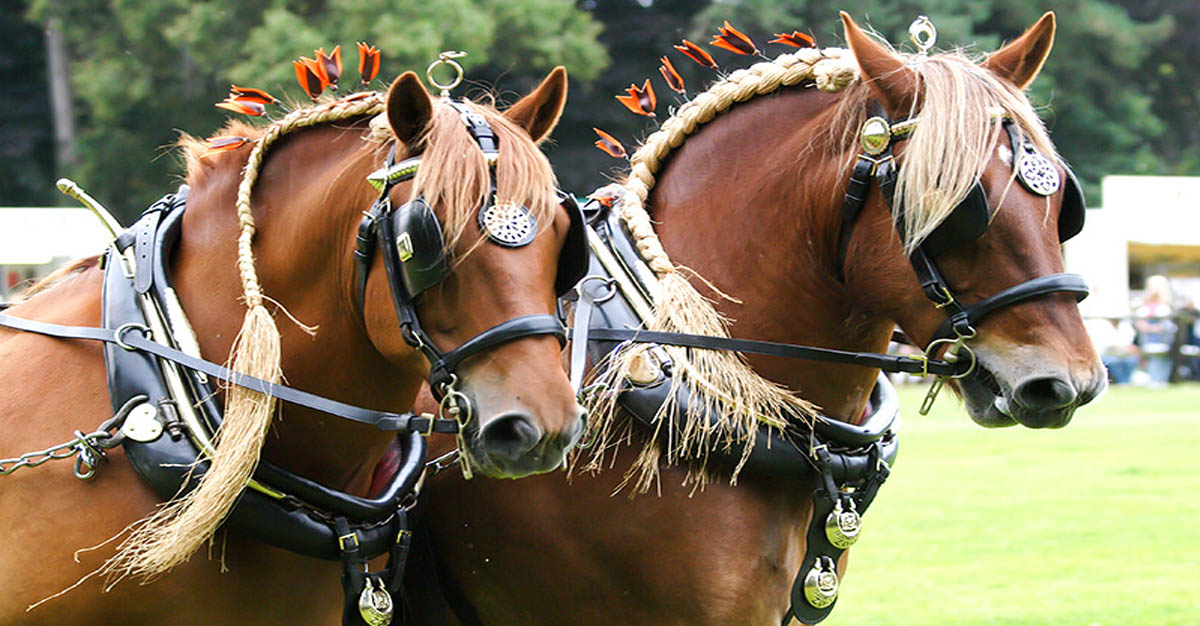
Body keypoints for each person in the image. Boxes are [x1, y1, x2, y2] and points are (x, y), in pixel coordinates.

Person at [1134, 275, 1176, 386]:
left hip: (1164, 339)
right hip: (1147, 339)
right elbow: (1139, 323)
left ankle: (1160, 380)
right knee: (1150, 358)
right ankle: (1153, 380)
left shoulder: (1167, 306)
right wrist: (1148, 328)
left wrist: (1154, 328)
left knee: (1162, 358)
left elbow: (1168, 325)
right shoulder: (1143, 305)